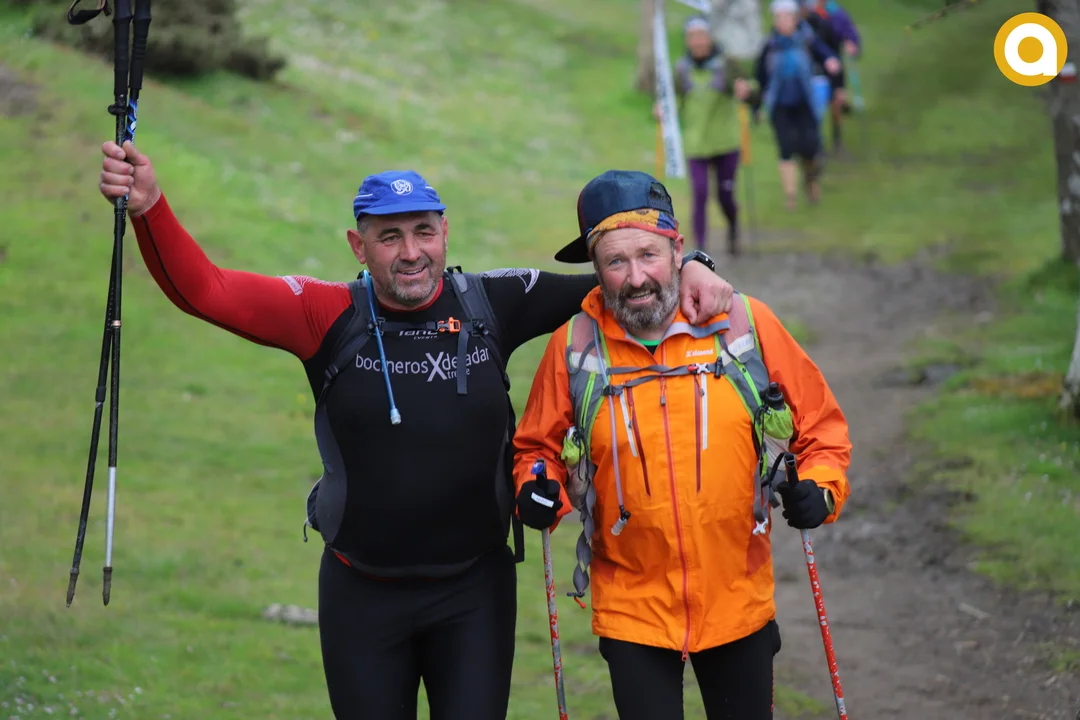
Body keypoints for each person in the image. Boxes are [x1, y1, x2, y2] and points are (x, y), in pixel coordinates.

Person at [96, 140, 734, 719]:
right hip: (360, 595)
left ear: (445, 232)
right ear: (358, 246)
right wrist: (149, 207)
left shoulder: (491, 302)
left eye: (424, 232)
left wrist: (696, 263)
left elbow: (623, 280)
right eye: (389, 236)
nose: (410, 253)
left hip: (474, 594)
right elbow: (206, 290)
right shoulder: (324, 314)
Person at [510, 169, 852, 719]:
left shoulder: (743, 325)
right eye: (615, 261)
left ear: (677, 250)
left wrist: (821, 488)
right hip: (631, 608)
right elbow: (535, 451)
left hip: (736, 599)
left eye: (648, 254)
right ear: (595, 269)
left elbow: (823, 429)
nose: (636, 277)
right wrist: (536, 488)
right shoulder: (574, 348)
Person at [656, 15, 748, 256]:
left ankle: (733, 228)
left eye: (701, 36)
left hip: (725, 143)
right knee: (700, 194)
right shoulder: (681, 69)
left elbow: (751, 86)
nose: (697, 41)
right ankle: (701, 248)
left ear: (709, 37)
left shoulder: (727, 64)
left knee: (725, 196)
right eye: (692, 37)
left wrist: (746, 90)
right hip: (696, 145)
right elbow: (673, 100)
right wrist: (663, 109)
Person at [740, 0, 841, 210]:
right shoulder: (770, 46)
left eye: (786, 17)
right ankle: (791, 196)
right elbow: (760, 78)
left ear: (795, 19)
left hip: (805, 101)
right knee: (785, 148)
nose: (782, 22)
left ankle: (811, 181)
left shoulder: (807, 39)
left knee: (810, 147)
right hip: (780, 104)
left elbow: (826, 55)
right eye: (778, 17)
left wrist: (830, 62)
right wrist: (756, 107)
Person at [802, 0, 862, 153]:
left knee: (836, 101)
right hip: (811, 66)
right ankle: (816, 143)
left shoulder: (836, 13)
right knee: (815, 106)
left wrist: (852, 43)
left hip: (833, 65)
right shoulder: (805, 13)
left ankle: (837, 140)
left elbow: (849, 33)